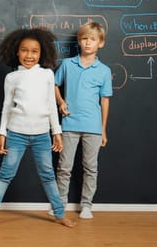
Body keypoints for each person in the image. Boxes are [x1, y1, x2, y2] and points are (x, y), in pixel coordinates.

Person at [0, 27, 75, 230]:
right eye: (24, 50)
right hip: (16, 133)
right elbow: (6, 107)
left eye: (34, 51)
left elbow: (50, 105)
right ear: (16, 51)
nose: (29, 55)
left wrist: (56, 132)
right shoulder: (12, 78)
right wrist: (2, 133)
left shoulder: (47, 74)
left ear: (42, 53)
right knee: (5, 174)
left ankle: (59, 214)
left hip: (41, 135)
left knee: (48, 175)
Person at [53, 21, 112, 219]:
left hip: (93, 127)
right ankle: (59, 204)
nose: (88, 43)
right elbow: (54, 84)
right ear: (79, 41)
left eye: (92, 39)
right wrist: (60, 101)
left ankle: (86, 205)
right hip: (69, 124)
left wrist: (103, 130)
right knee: (64, 167)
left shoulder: (104, 70)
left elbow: (105, 101)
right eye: (84, 38)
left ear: (100, 43)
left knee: (90, 168)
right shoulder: (68, 64)